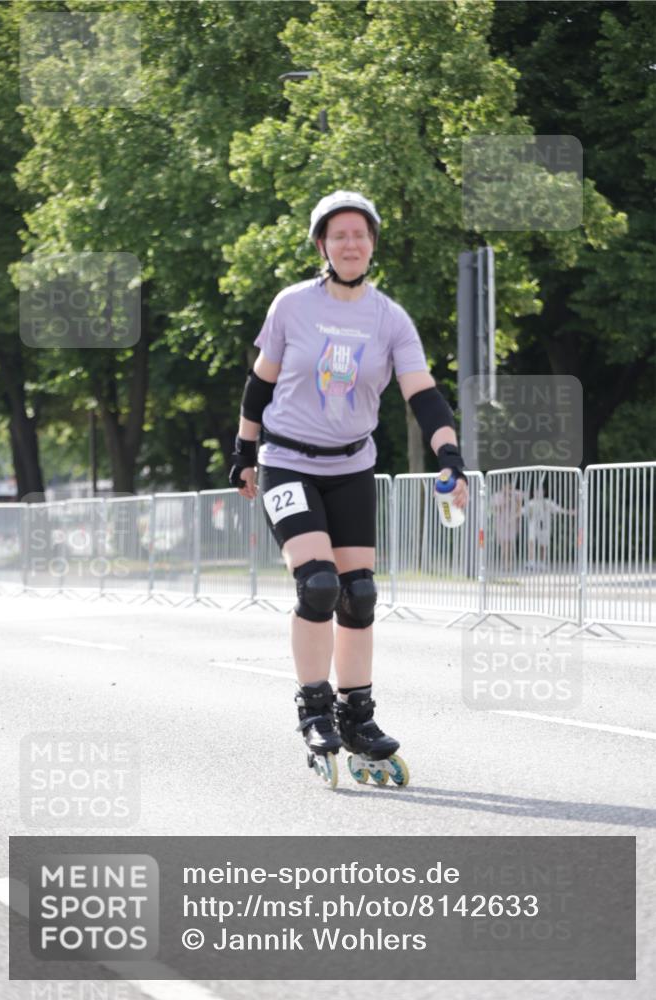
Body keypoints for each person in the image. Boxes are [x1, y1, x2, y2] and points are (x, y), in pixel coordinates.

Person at [229, 190, 468, 788]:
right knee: (318, 584)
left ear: (372, 243)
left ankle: (357, 716)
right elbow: (259, 386)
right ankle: (313, 707)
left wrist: (450, 454)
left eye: (360, 234)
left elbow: (423, 393)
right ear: (322, 245)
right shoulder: (292, 306)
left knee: (358, 595)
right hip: (287, 460)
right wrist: (243, 452)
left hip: (351, 464)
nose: (351, 243)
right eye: (338, 235)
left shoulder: (389, 318)